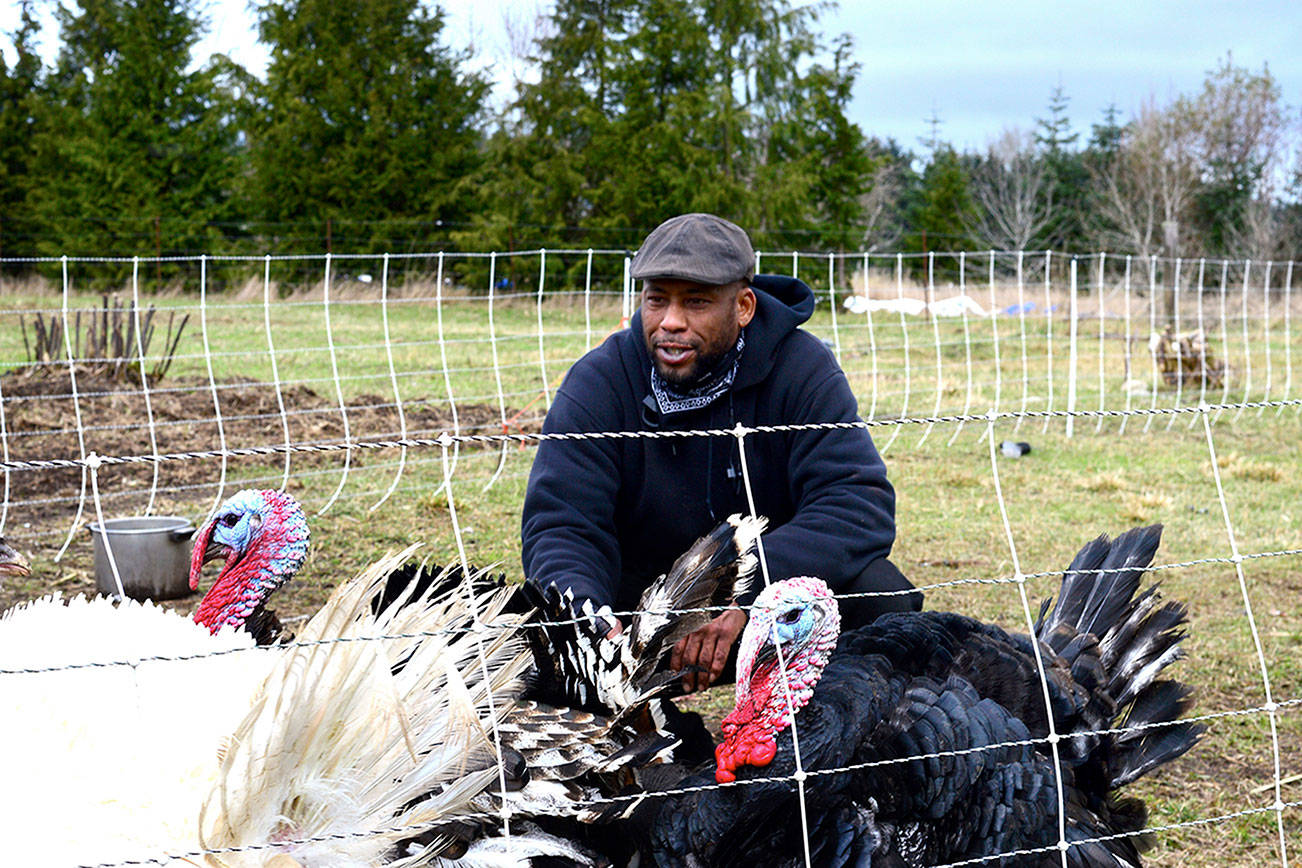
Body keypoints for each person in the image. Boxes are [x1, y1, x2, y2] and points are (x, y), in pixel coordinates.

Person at [521, 213, 921, 692]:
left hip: (767, 610)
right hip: (638, 621)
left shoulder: (803, 370)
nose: (671, 321)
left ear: (744, 306)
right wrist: (593, 623)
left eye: (696, 302)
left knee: (880, 594)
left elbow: (856, 505)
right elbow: (562, 524)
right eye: (656, 299)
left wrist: (745, 593)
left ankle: (830, 725)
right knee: (543, 635)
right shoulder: (600, 381)